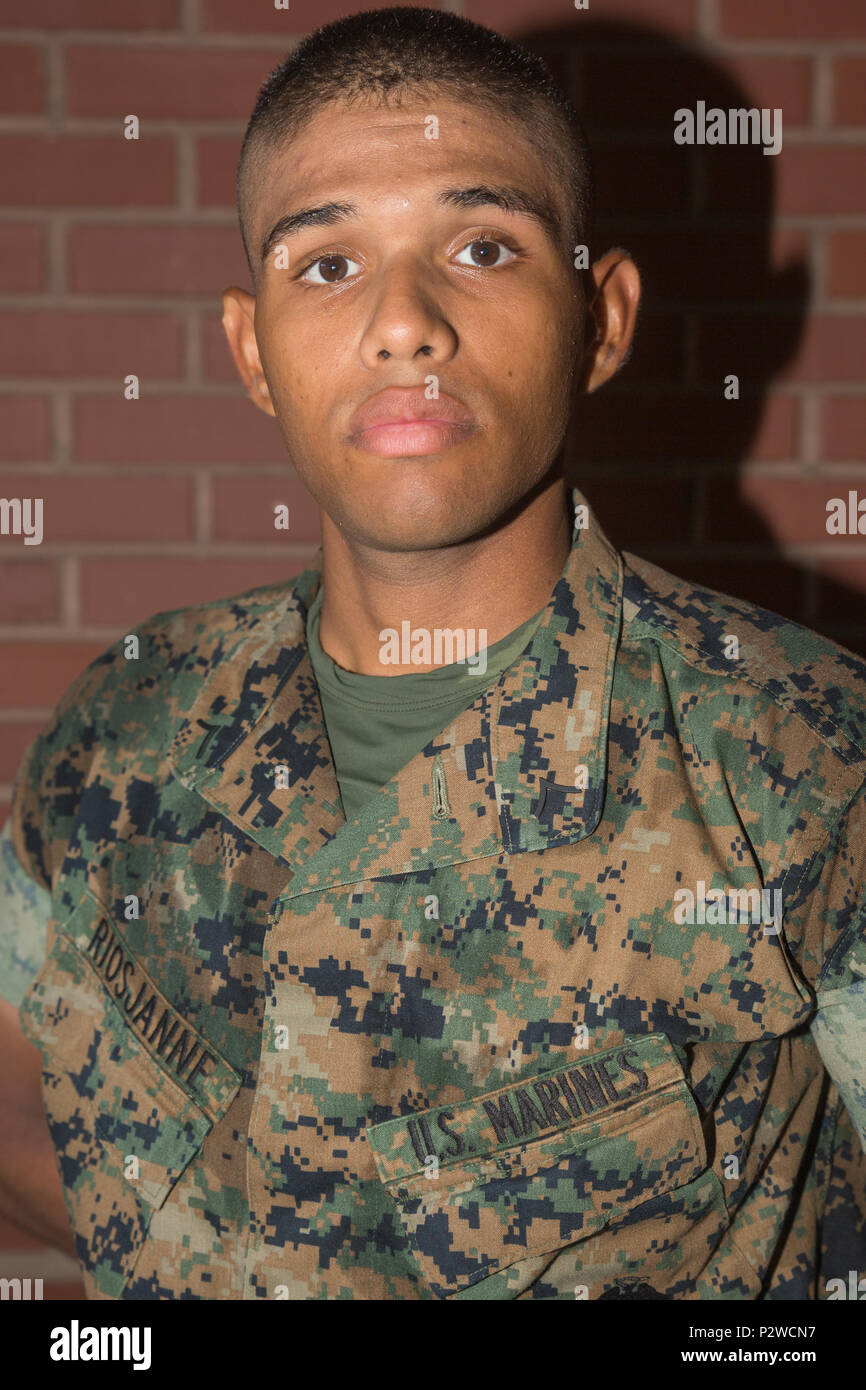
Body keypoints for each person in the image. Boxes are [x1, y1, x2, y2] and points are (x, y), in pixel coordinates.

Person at [0, 6, 863, 1302]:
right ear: (252, 352)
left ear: (601, 319)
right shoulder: (128, 715)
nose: (403, 322)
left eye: (479, 244)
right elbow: (19, 1093)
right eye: (327, 263)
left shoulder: (806, 758)